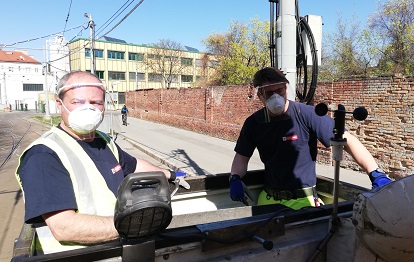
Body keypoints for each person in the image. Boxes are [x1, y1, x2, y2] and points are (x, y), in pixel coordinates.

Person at [15, 71, 189, 254]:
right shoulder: (44, 154)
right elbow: (63, 227)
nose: (88, 109)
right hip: (81, 256)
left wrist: (170, 174)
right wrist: (133, 225)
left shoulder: (103, 141)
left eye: (96, 102)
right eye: (78, 102)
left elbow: (133, 165)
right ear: (60, 105)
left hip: (116, 249)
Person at [229, 67, 393, 210]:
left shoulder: (306, 114)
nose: (275, 97)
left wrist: (375, 173)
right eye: (269, 93)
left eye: (279, 91)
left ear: (286, 88)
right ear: (260, 95)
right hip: (269, 199)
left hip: (303, 200)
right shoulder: (254, 123)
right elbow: (242, 157)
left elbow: (346, 139)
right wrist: (235, 178)